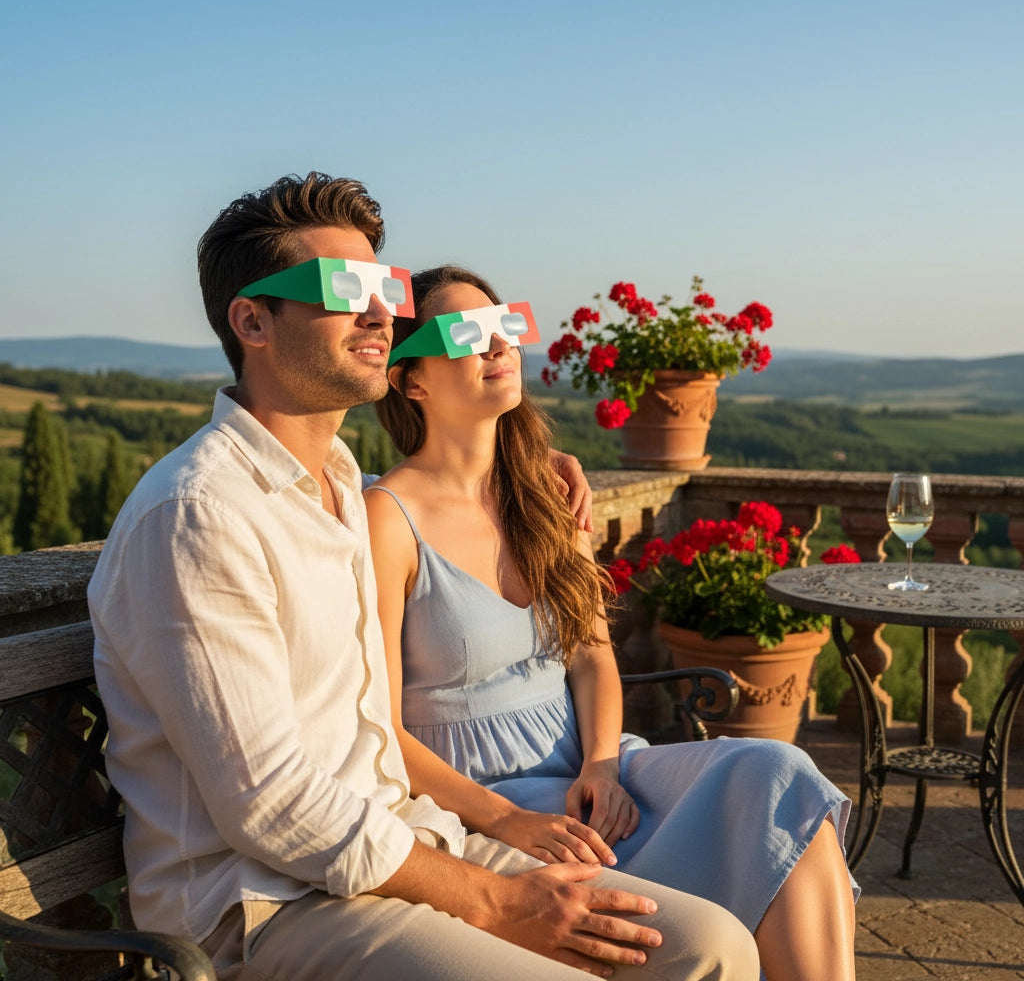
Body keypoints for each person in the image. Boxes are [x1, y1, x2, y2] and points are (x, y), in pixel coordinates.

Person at [89, 172, 761, 981]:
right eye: (345, 288)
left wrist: (524, 460)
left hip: (401, 845)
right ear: (253, 320)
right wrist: (494, 900)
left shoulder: (336, 484)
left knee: (711, 946)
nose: (382, 313)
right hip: (268, 905)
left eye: (389, 287)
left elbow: (449, 478)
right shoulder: (199, 515)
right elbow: (269, 804)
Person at [366, 264, 860, 981]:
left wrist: (602, 763)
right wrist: (503, 821)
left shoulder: (542, 493)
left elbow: (593, 657)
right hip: (484, 803)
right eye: (467, 333)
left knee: (778, 775)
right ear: (413, 380)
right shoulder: (388, 519)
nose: (499, 346)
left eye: (506, 326)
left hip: (596, 775)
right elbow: (381, 725)